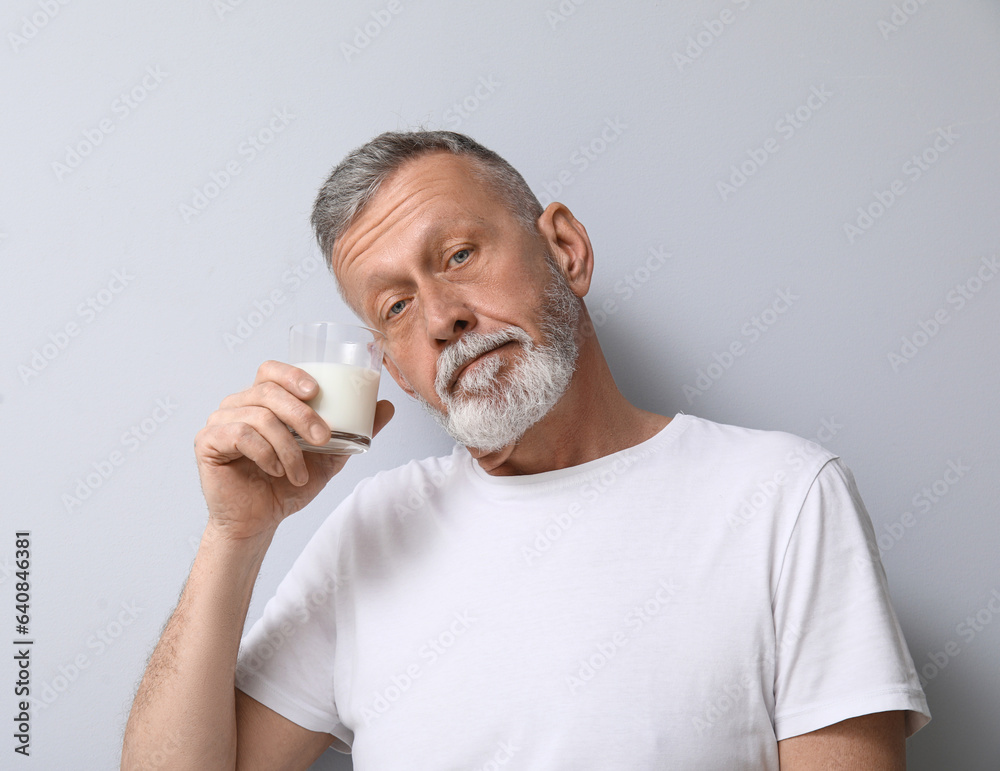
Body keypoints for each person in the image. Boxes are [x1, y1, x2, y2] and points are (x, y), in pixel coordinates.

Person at [121, 130, 930, 770]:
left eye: (460, 255)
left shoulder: (783, 496)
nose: (441, 316)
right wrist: (235, 535)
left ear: (566, 249)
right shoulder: (374, 530)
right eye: (397, 305)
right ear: (395, 368)